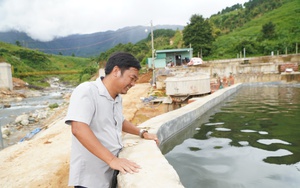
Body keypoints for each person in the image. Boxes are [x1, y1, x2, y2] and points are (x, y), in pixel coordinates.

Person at [65, 52, 159, 188]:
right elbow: (78, 128)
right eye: (132, 78)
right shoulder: (87, 91)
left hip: (109, 171)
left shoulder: (116, 97)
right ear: (116, 71)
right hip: (90, 178)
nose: (133, 84)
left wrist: (142, 133)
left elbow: (119, 121)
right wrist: (112, 160)